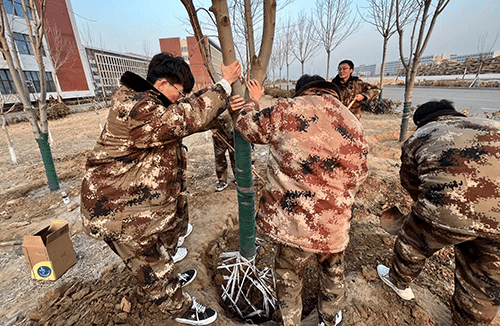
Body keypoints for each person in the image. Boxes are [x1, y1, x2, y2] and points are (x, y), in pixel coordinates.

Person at [80, 53, 241, 325]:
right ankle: (178, 308)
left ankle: (170, 278)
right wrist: (224, 85)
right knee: (150, 264)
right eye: (180, 91)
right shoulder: (135, 107)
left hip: (139, 203)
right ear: (164, 83)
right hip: (119, 212)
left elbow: (186, 107)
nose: (181, 97)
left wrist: (223, 101)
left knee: (164, 245)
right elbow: (181, 118)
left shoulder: (152, 101)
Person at [230, 75, 368, 326]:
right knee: (333, 270)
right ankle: (329, 319)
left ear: (302, 91)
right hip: (333, 223)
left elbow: (246, 126)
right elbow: (360, 175)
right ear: (333, 92)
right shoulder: (353, 121)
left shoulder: (288, 108)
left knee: (289, 275)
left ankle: (290, 322)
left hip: (295, 222)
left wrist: (253, 101)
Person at [377, 99, 500, 326]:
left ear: (421, 121)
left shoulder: (420, 136)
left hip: (446, 209)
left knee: (412, 244)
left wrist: (428, 215)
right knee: (485, 279)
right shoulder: (493, 126)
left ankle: (398, 281)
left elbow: (411, 182)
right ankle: (471, 321)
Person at [211, 112, 236, 192]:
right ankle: (222, 181)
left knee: (235, 155)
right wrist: (210, 126)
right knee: (219, 156)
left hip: (233, 128)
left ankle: (239, 178)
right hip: (218, 130)